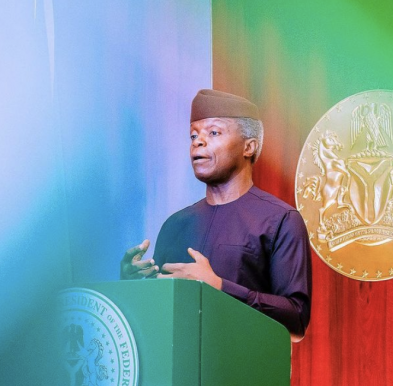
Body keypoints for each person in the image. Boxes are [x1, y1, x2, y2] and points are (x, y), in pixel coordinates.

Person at [120, 89, 311, 341]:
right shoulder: (175, 225)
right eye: (193, 135)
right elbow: (156, 320)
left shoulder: (281, 220)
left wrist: (219, 287)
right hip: (180, 366)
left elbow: (296, 319)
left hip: (244, 364)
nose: (198, 142)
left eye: (213, 133)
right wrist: (132, 285)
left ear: (249, 147)